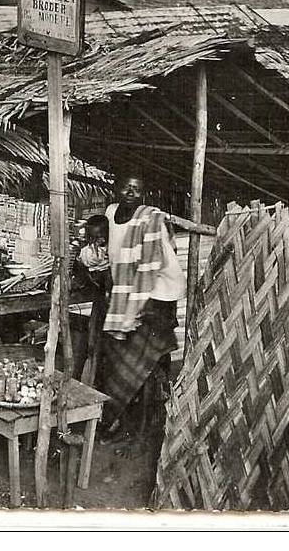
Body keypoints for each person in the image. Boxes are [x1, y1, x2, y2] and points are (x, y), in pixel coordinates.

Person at [98, 172, 185, 441]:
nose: (130, 193)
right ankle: (121, 420)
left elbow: (157, 263)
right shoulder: (111, 213)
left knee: (142, 367)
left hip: (156, 297)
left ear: (143, 194)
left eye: (136, 189)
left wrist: (141, 304)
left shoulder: (150, 219)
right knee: (118, 362)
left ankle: (138, 428)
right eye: (126, 187)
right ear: (116, 188)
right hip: (125, 296)